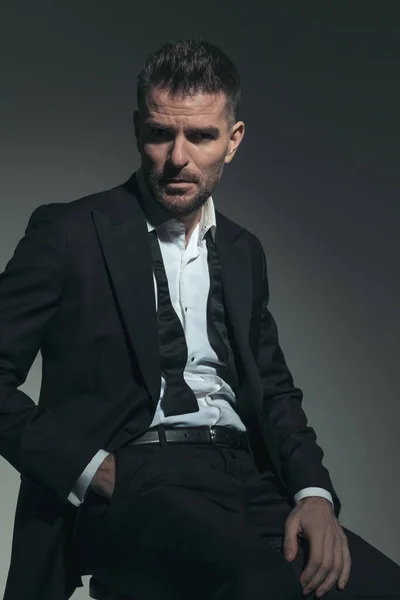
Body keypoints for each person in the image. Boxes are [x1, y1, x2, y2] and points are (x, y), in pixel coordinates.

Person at [0, 39, 399, 600]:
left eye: (201, 136)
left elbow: (276, 390)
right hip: (138, 479)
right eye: (161, 133)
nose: (178, 157)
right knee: (260, 584)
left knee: (381, 587)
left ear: (232, 141)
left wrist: (313, 494)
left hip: (246, 477)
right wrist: (90, 470)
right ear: (138, 129)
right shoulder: (70, 233)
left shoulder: (242, 251)